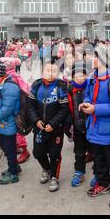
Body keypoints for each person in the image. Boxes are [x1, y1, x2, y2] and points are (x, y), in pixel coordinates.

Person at [80, 44, 110, 209]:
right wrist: (85, 103)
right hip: (94, 128)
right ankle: (103, 183)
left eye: (93, 56)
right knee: (99, 160)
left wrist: (95, 109)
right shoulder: (92, 77)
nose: (89, 59)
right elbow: (87, 95)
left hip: (109, 130)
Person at [26, 60, 69, 192]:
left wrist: (53, 123)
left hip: (56, 129)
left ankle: (54, 177)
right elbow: (29, 105)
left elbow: (64, 109)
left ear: (58, 73)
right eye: (47, 71)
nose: (50, 74)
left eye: (54, 71)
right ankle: (46, 168)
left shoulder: (61, 86)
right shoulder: (36, 85)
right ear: (42, 72)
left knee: (54, 153)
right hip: (39, 128)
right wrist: (36, 120)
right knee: (37, 153)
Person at [0, 57, 31, 164]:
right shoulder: (9, 75)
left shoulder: (11, 76)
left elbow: (22, 91)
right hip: (11, 108)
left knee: (18, 131)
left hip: (15, 109)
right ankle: (17, 147)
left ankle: (24, 150)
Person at [67, 62, 92, 187]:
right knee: (79, 151)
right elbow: (67, 107)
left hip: (91, 125)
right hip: (77, 125)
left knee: (95, 150)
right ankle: (79, 172)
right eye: (76, 76)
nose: (80, 78)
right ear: (72, 78)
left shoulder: (91, 86)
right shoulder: (70, 88)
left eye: (82, 75)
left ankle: (99, 173)